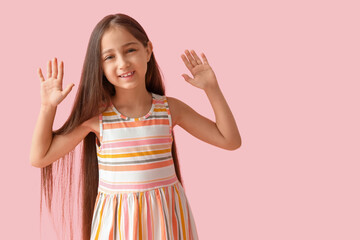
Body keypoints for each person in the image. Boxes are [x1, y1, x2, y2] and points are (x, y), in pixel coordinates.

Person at [30, 13, 241, 240]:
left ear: (148, 50)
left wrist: (212, 88)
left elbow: (230, 140)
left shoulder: (169, 109)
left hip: (168, 222)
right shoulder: (97, 118)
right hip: (119, 227)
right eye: (109, 57)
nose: (123, 63)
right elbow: (40, 157)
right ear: (99, 66)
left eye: (130, 50)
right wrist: (47, 107)